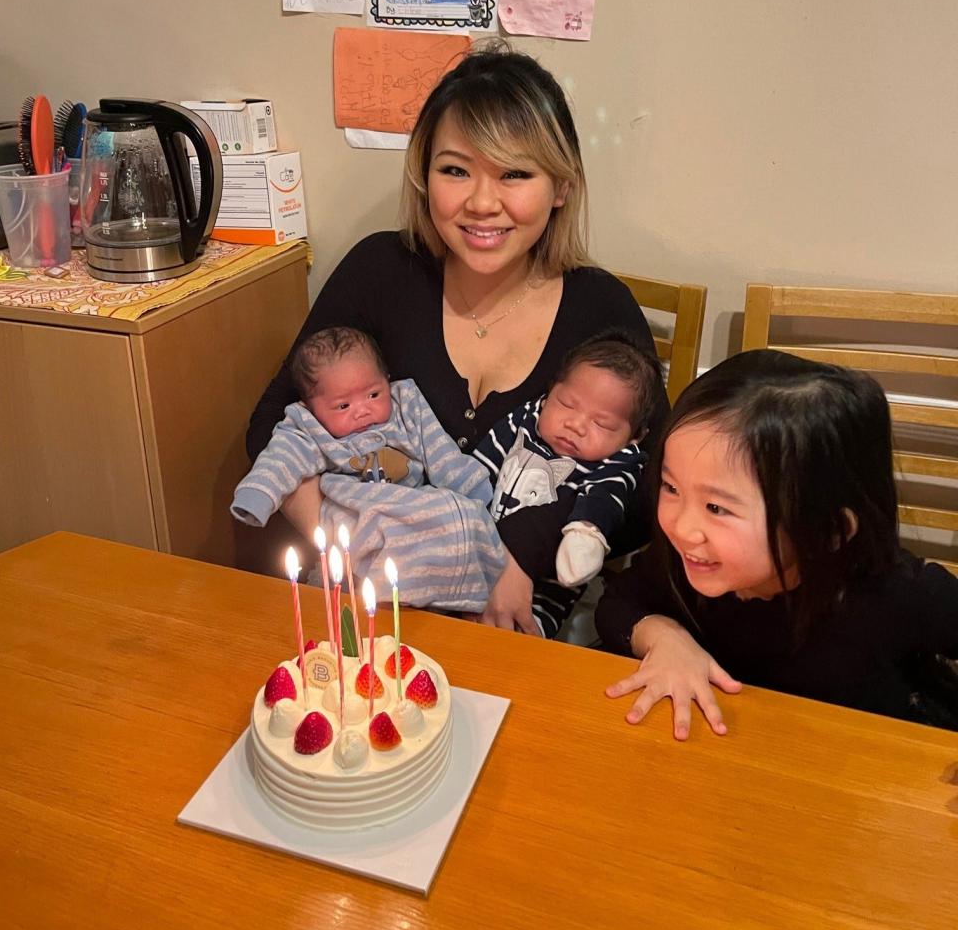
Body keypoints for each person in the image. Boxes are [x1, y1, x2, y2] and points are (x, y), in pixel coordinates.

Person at [247, 44, 669, 630]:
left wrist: (522, 553)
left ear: (562, 185)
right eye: (455, 170)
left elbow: (652, 490)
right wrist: (351, 537)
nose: (480, 202)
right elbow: (271, 421)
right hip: (370, 607)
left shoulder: (601, 309)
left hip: (525, 623)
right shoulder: (380, 270)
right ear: (425, 174)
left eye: (515, 174)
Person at [599, 349, 958, 736]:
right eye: (671, 487)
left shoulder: (893, 592)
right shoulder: (690, 562)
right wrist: (664, 638)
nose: (682, 527)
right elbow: (619, 603)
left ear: (828, 531)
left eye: (716, 507)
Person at [232, 327, 504, 611]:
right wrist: (257, 496)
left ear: (387, 380)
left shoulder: (406, 404)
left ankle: (440, 601)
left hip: (412, 504)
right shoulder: (308, 426)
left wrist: (474, 491)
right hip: (354, 509)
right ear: (311, 407)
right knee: (350, 585)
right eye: (343, 405)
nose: (362, 410)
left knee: (456, 515)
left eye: (374, 394)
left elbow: (441, 451)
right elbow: (281, 458)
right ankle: (382, 605)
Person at [474, 331, 665, 637]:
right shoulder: (526, 419)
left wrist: (586, 534)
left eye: (601, 423)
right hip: (476, 550)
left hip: (544, 589)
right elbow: (478, 470)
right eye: (566, 404)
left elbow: (602, 503)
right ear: (551, 392)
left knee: (518, 638)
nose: (575, 425)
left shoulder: (618, 461)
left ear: (634, 436)